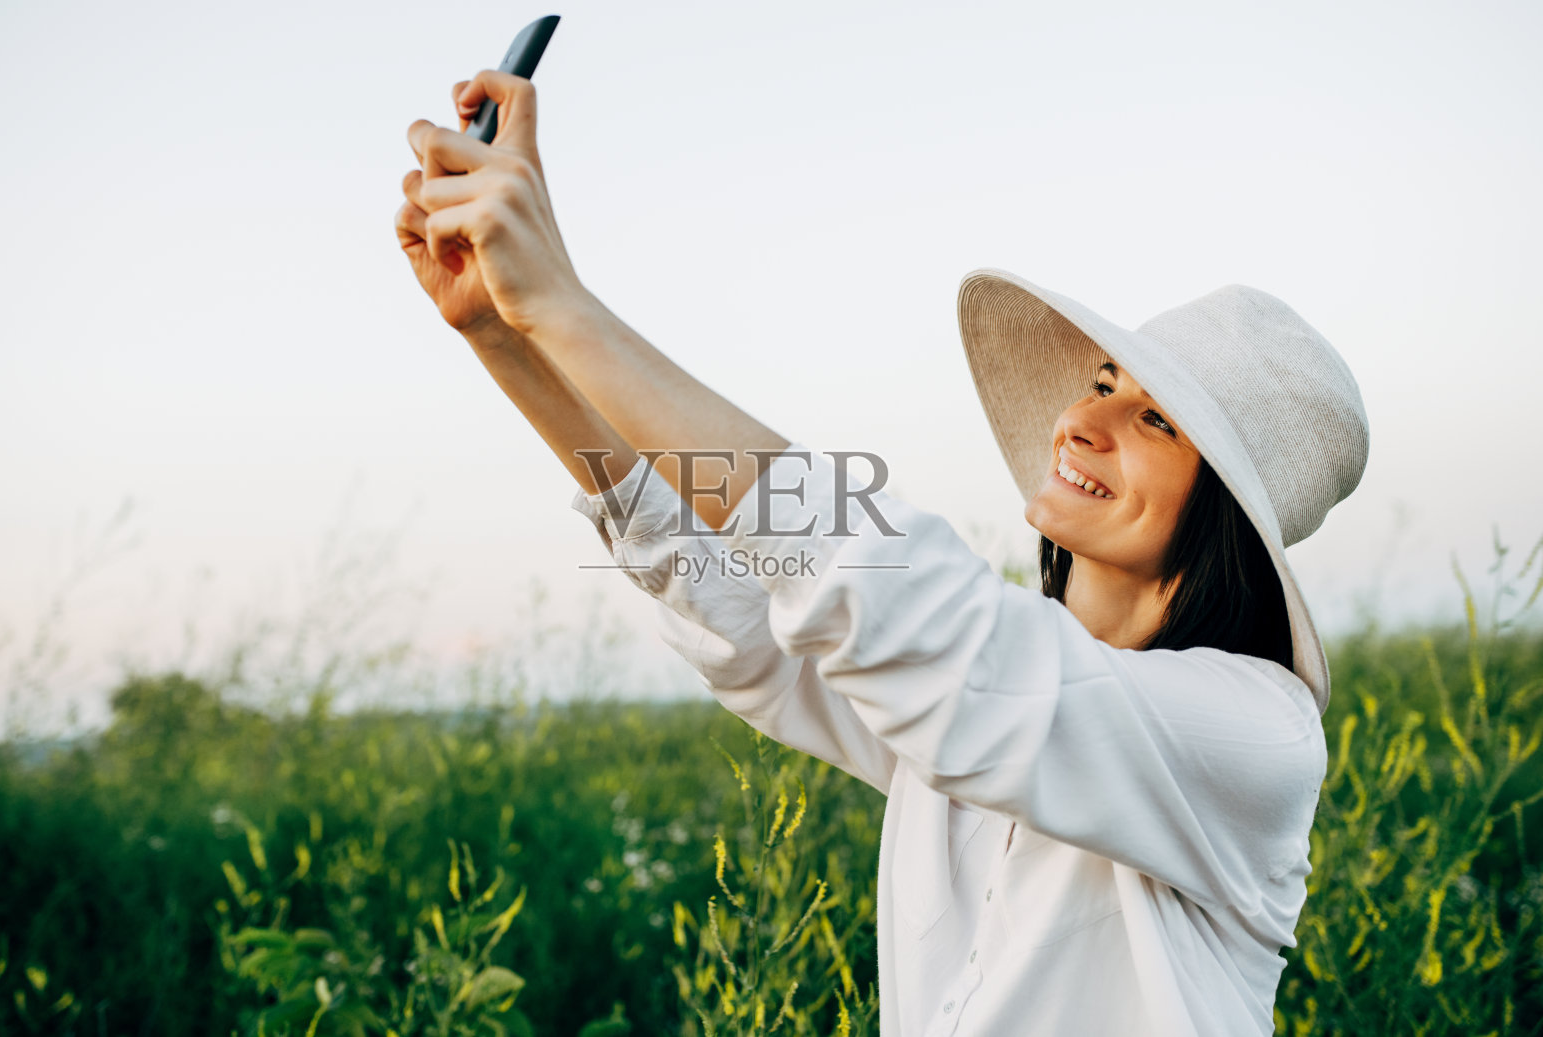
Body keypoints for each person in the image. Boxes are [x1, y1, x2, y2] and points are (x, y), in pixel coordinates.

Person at [396, 69, 1368, 1037]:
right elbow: (756, 624)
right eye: (1104, 382)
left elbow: (917, 624)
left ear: (1225, 517)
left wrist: (561, 302)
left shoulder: (1255, 736)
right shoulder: (976, 705)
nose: (1081, 420)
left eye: (1155, 420)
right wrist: (504, 333)